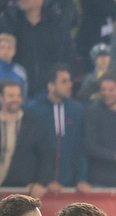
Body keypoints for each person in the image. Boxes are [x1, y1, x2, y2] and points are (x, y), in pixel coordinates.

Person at [0, 79, 54, 198]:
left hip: (23, 193)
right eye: (11, 96)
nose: (16, 99)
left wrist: (40, 182)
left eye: (18, 95)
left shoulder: (34, 124)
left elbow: (48, 154)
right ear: (0, 97)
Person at [0, 0, 77, 100]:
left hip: (50, 96)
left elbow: (68, 56)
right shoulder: (8, 23)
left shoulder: (56, 24)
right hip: (16, 96)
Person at [24, 64, 91, 193]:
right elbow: (27, 149)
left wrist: (81, 178)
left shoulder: (77, 110)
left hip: (69, 185)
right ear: (51, 85)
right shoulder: (33, 110)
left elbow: (80, 147)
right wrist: (40, 181)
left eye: (70, 80)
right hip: (37, 186)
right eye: (64, 81)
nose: (70, 85)